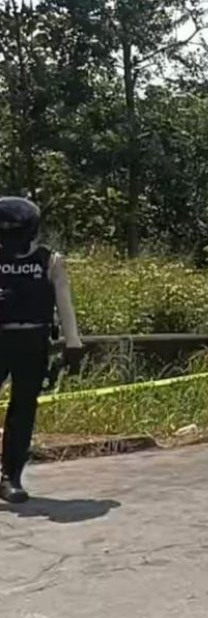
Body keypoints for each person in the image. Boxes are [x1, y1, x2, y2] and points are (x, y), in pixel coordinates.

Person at [0, 197, 83, 503]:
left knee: (22, 411)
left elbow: (65, 305)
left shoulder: (50, 260)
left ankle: (10, 476)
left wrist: (72, 346)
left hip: (33, 341)